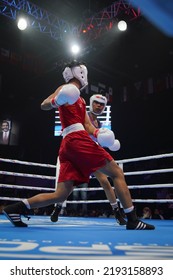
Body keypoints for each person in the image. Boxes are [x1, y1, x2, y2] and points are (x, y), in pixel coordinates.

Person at [3, 60, 155, 230]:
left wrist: (99, 134)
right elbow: (43, 105)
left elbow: (88, 125)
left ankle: (15, 208)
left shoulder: (81, 100)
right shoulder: (63, 89)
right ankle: (132, 220)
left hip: (68, 145)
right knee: (117, 172)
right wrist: (56, 101)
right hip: (76, 139)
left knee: (61, 193)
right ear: (79, 73)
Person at [50, 94, 126, 225]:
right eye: (96, 103)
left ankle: (117, 213)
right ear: (91, 103)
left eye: (102, 104)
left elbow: (99, 142)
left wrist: (109, 142)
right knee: (70, 185)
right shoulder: (82, 115)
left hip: (91, 154)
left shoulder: (100, 124)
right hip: (78, 153)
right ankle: (58, 208)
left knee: (105, 182)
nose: (99, 106)